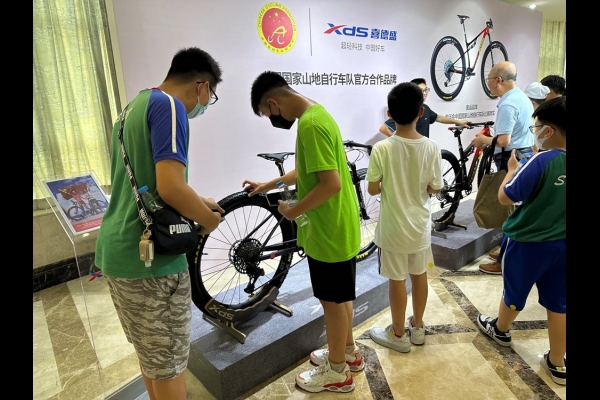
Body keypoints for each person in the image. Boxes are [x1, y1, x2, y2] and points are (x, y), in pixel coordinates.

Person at [95, 47, 224, 400]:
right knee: (168, 366)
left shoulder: (132, 108)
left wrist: (198, 200)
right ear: (202, 86)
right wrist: (207, 220)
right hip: (152, 259)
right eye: (210, 96)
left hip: (118, 251)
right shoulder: (171, 106)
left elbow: (148, 184)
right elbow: (170, 187)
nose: (205, 104)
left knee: (151, 357)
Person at [242, 71, 362, 393]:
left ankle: (337, 372)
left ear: (273, 102)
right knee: (341, 296)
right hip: (338, 224)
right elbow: (309, 170)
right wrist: (268, 184)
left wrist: (292, 211)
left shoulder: (310, 125)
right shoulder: (317, 114)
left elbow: (331, 184)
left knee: (331, 302)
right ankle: (347, 352)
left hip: (327, 229)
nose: (272, 120)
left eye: (267, 114)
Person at [477, 96, 566, 386]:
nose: (534, 132)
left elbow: (507, 196)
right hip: (563, 244)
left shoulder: (542, 160)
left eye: (535, 127)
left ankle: (501, 329)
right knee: (559, 301)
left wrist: (513, 170)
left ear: (548, 131)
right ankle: (558, 362)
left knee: (514, 291)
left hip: (527, 242)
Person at [367, 82, 443, 353]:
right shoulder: (431, 147)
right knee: (420, 275)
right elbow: (435, 188)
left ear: (390, 113)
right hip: (419, 227)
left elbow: (372, 189)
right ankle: (418, 327)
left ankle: (398, 334)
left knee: (396, 280)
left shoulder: (382, 148)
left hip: (392, 229)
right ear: (421, 112)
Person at [472, 61, 534, 275]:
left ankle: (504, 261)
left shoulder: (508, 104)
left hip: (511, 159)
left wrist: (483, 140)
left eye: (488, 78)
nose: (487, 83)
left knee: (510, 210)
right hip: (524, 155)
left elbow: (504, 140)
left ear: (498, 80)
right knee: (515, 209)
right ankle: (506, 252)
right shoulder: (522, 97)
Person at [378, 78, 470, 138]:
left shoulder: (425, 108)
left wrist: (459, 122)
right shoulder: (406, 109)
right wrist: (399, 142)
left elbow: (439, 118)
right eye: (421, 90)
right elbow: (383, 128)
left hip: (423, 149)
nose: (425, 93)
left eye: (426, 90)